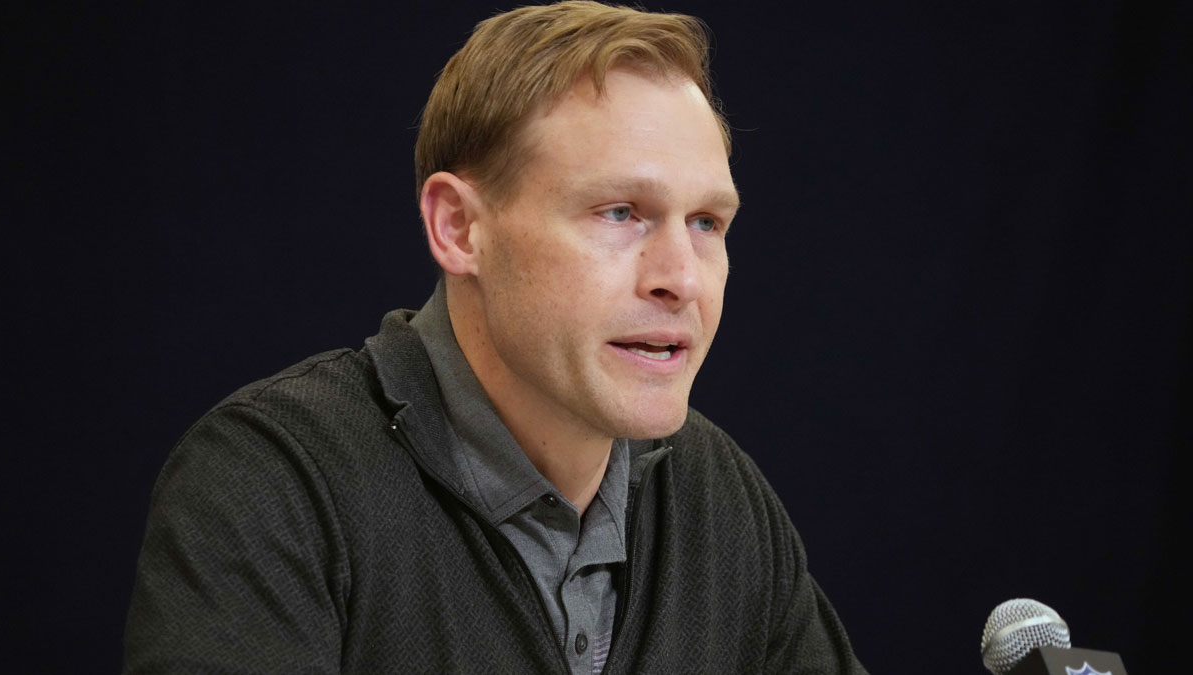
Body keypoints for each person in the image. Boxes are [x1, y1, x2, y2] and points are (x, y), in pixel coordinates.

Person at [123, 2, 868, 673]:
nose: (683, 277)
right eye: (620, 212)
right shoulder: (272, 487)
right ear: (459, 227)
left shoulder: (720, 498)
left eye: (707, 222)